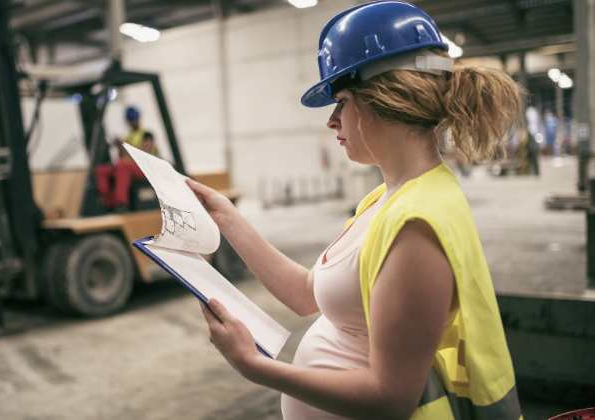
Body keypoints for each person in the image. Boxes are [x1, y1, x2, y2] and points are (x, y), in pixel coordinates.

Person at [186, 2, 523, 419]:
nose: (332, 120)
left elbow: (391, 397)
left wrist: (256, 367)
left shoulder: (416, 226)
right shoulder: (387, 198)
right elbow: (308, 293)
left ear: (386, 98)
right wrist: (225, 217)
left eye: (341, 100)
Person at [95, 106, 157, 212]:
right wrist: (119, 146)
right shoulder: (128, 136)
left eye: (135, 118)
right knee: (102, 170)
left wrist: (124, 146)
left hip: (145, 168)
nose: (134, 121)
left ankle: (121, 204)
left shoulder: (146, 134)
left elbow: (144, 154)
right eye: (132, 119)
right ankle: (107, 203)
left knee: (122, 166)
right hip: (130, 167)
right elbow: (121, 157)